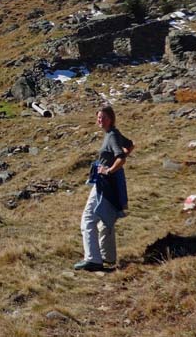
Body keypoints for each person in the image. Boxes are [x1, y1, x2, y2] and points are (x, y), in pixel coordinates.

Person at [74, 105, 133, 272]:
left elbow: (121, 157)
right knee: (104, 218)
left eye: (103, 118)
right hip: (109, 182)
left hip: (105, 182)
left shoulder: (112, 136)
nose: (100, 120)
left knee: (88, 218)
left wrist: (109, 170)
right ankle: (108, 256)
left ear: (111, 119)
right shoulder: (113, 133)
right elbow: (130, 146)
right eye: (99, 117)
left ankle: (93, 260)